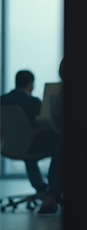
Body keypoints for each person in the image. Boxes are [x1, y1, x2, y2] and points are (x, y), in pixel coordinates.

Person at [1, 70, 59, 204]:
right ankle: (53, 189)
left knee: (28, 154)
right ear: (31, 85)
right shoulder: (32, 102)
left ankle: (41, 188)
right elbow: (45, 122)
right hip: (30, 144)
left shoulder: (2, 100)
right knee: (59, 143)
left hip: (7, 146)